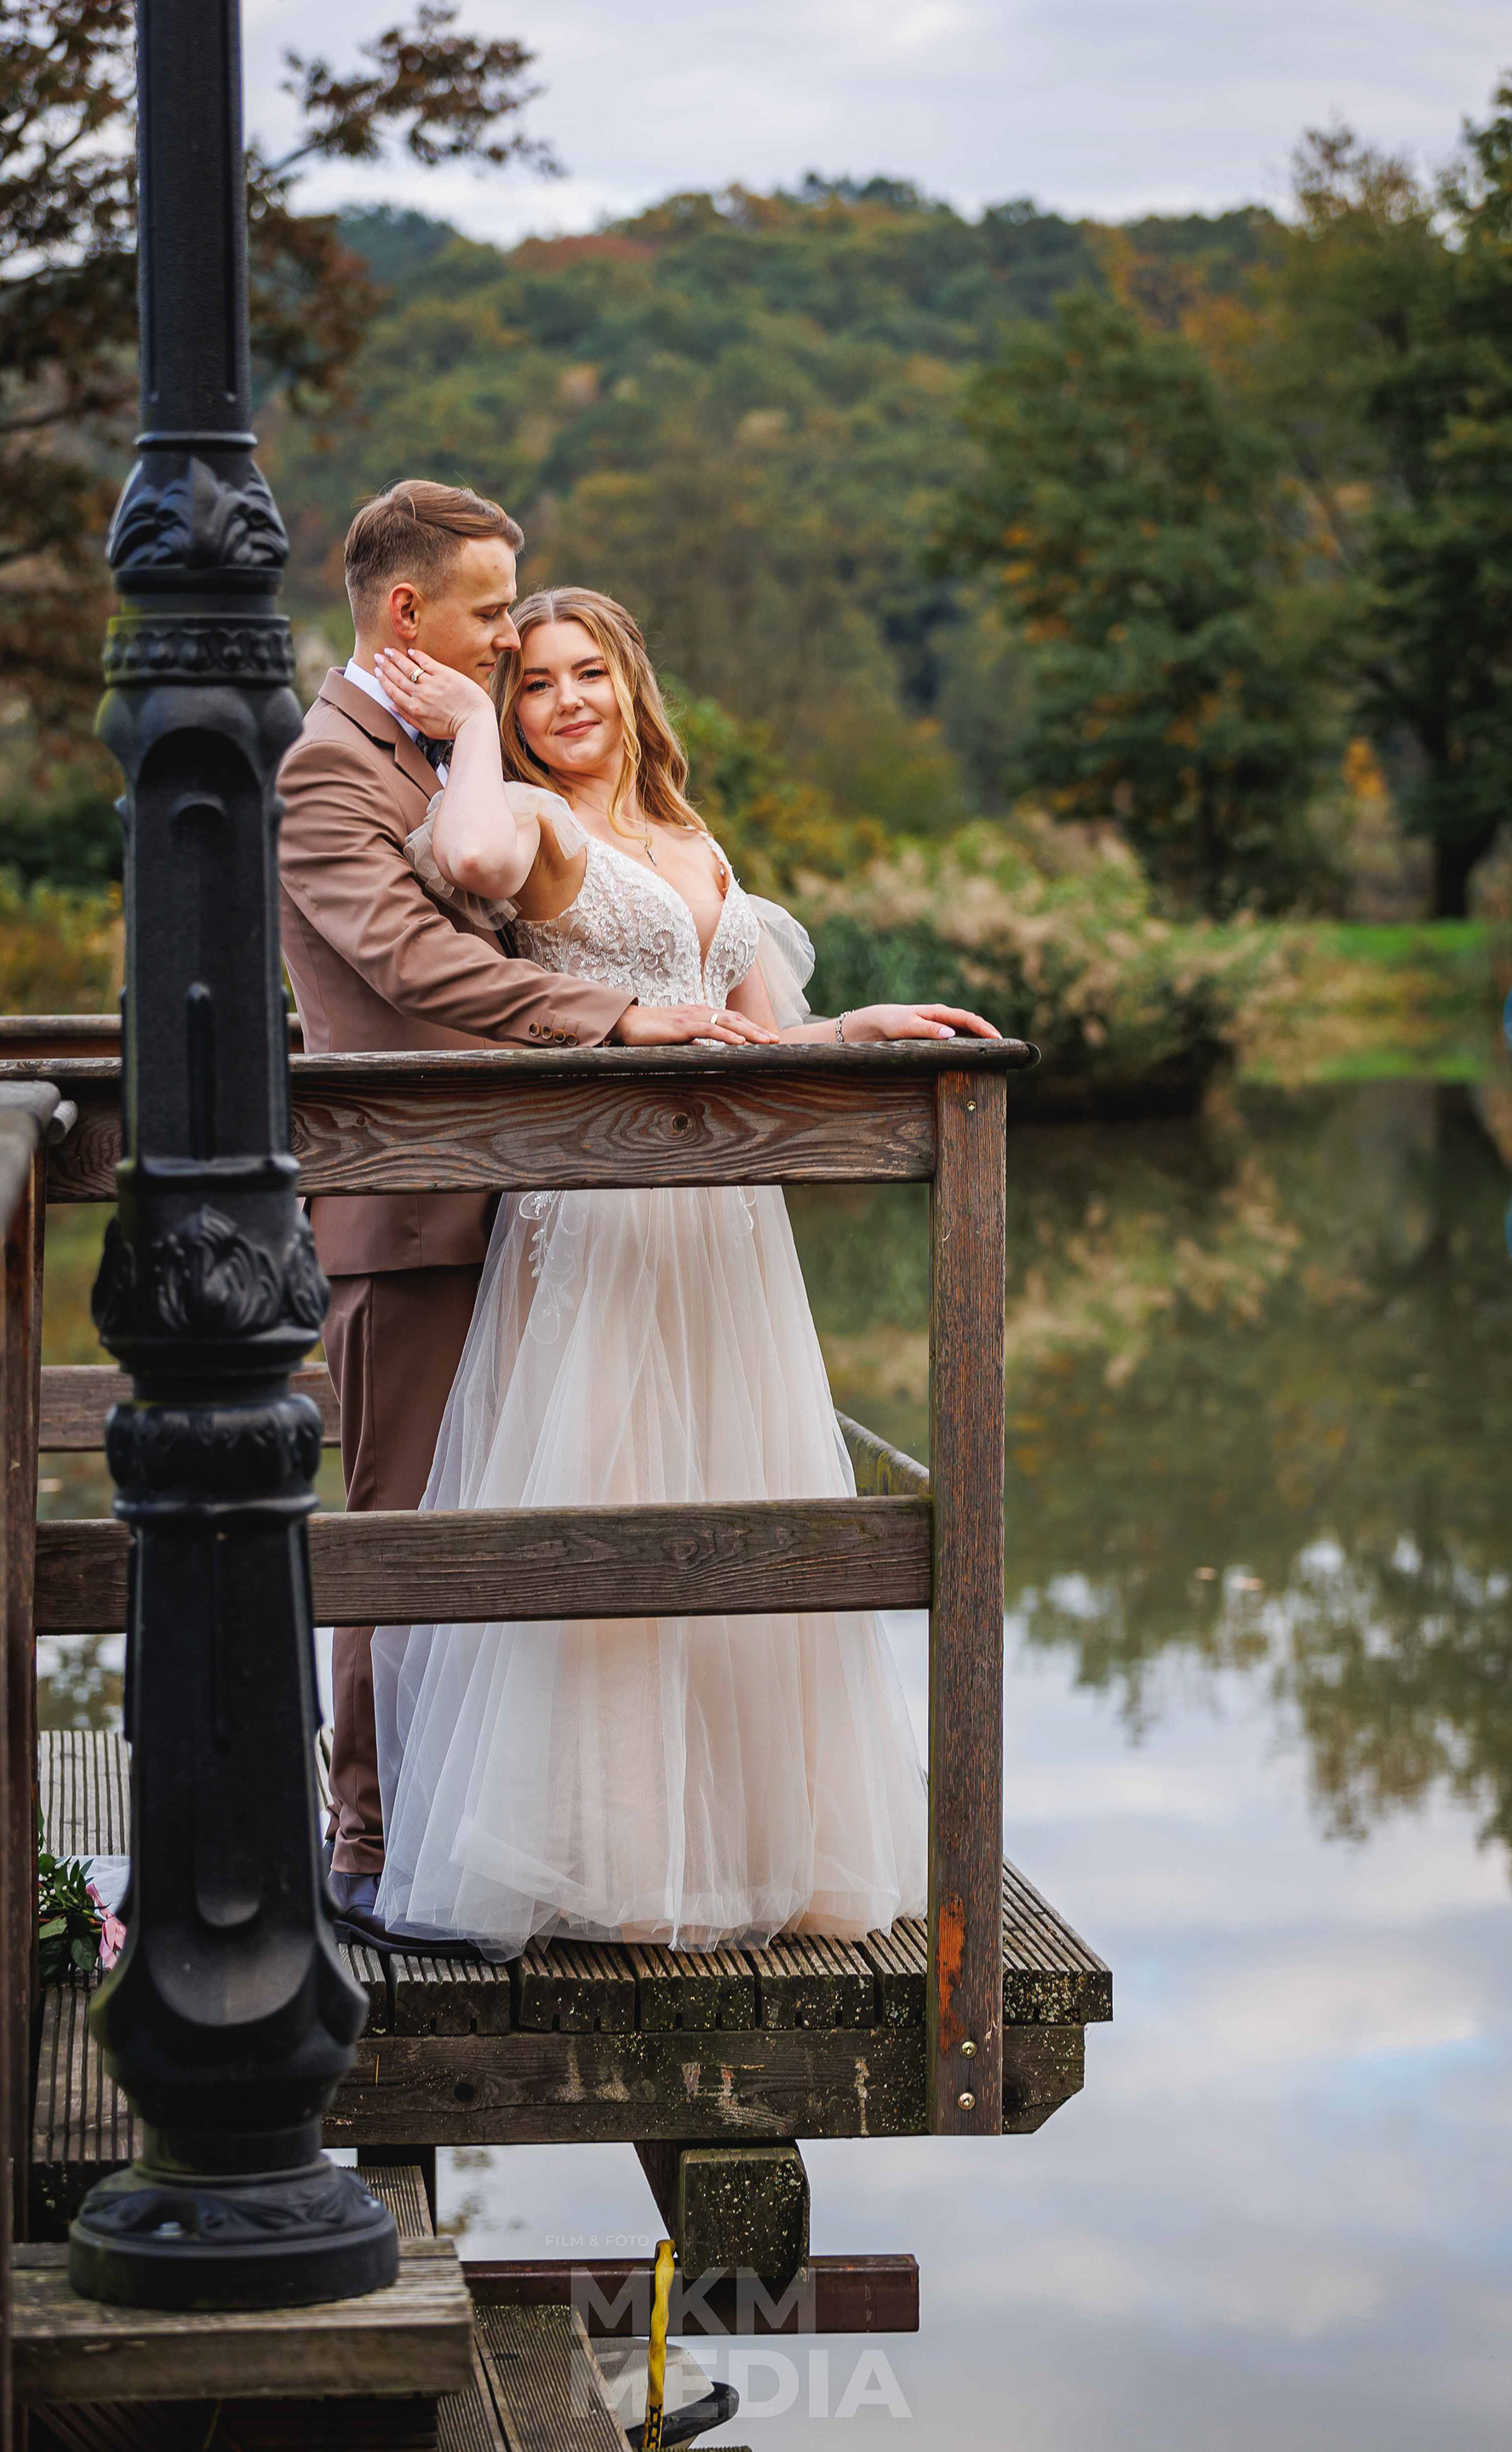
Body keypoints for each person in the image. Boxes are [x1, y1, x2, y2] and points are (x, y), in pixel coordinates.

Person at [362, 586, 1000, 1956]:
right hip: (605, 1217)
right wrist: (467, 725)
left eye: (587, 674)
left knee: (736, 1493)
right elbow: (466, 857)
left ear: (631, 683)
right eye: (536, 682)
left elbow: (758, 1035)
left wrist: (857, 1028)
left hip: (727, 1226)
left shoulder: (692, 836)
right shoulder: (534, 821)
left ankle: (752, 1847)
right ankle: (606, 1858)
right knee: (610, 1492)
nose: (565, 702)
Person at [278, 487, 773, 1919]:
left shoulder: (446, 744)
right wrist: (614, 1018)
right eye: (493, 613)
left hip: (532, 1208)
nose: (508, 640)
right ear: (408, 610)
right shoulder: (329, 770)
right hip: (412, 1205)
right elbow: (412, 964)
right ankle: (369, 1845)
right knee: (405, 1533)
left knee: (520, 1530)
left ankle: (495, 1832)